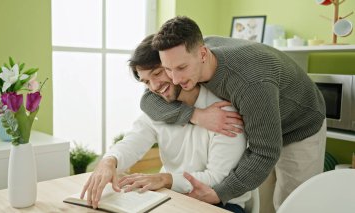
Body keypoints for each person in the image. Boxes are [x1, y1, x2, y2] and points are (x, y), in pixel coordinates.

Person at [140, 16, 327, 211]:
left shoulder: (250, 84)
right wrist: (195, 115)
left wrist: (219, 194)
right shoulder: (190, 53)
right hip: (262, 119)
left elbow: (265, 151)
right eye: (168, 70)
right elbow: (148, 101)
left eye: (181, 68)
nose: (175, 80)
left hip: (299, 122)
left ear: (203, 54)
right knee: (264, 205)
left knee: (292, 205)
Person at [81, 34, 250, 213]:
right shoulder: (158, 108)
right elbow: (133, 141)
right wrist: (109, 161)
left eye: (157, 73)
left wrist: (166, 179)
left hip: (222, 203)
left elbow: (218, 179)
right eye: (146, 81)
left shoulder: (223, 111)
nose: (153, 87)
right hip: (173, 196)